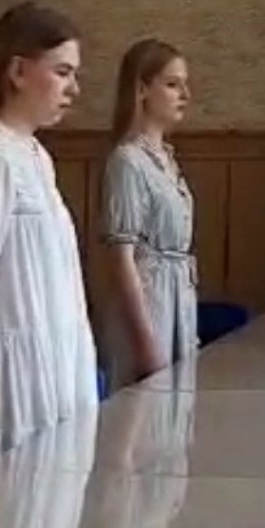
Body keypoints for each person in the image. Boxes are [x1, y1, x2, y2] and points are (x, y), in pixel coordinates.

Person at [0, 3, 98, 460]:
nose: (73, 88)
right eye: (62, 72)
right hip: (17, 376)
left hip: (56, 358)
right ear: (17, 72)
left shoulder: (32, 152)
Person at [99, 38, 197, 387]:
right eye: (172, 84)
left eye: (185, 84)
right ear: (142, 89)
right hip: (149, 300)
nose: (185, 95)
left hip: (179, 295)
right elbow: (122, 258)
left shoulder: (166, 158)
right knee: (146, 408)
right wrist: (146, 343)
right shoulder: (128, 161)